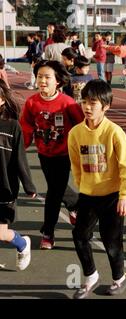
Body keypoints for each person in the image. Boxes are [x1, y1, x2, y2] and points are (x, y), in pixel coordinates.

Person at [69, 80, 126, 299]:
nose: (87, 107)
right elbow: (76, 164)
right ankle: (90, 276)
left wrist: (125, 195)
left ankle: (119, 278)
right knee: (79, 235)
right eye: (84, 102)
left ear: (106, 106)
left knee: (111, 240)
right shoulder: (75, 133)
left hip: (112, 196)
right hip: (88, 195)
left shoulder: (114, 132)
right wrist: (81, 188)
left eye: (93, 103)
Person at [20, 60, 83, 249]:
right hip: (44, 153)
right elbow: (26, 127)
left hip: (64, 155)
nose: (43, 81)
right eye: (40, 77)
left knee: (54, 193)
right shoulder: (32, 102)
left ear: (58, 81)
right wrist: (19, 148)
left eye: (47, 77)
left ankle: (48, 232)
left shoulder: (68, 103)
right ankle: (74, 205)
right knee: (57, 187)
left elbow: (81, 127)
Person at [0, 79, 36, 271]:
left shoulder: (12, 126)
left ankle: (22, 244)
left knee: (1, 233)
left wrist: (29, 186)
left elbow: (20, 159)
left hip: (4, 188)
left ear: (2, 100)